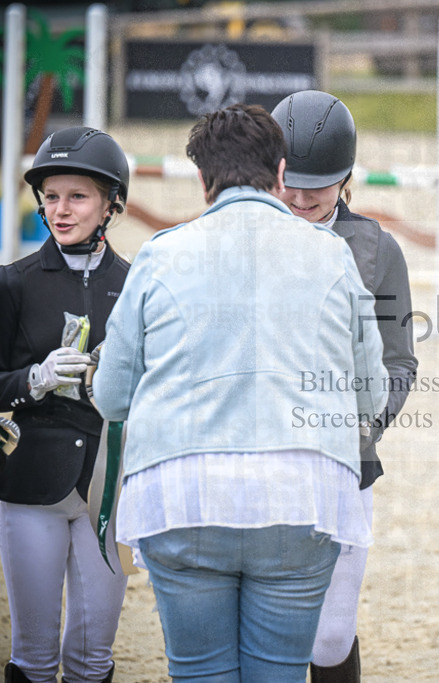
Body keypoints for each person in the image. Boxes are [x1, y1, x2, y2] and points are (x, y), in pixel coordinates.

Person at [92, 103, 388, 682]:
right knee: (277, 671)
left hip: (183, 492)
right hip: (303, 493)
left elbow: (112, 396)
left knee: (199, 670)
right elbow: (371, 394)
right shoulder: (333, 254)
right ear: (281, 174)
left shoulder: (159, 254)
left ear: (203, 182)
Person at [270, 89, 418, 682]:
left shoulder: (379, 250)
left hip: (344, 462)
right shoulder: (247, 237)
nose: (302, 197)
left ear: (348, 178)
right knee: (272, 628)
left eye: (320, 184)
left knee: (329, 637)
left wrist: (365, 422)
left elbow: (401, 362)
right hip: (260, 459)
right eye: (290, 181)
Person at [0, 126, 131, 683]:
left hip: (110, 488)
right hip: (31, 487)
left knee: (92, 658)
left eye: (76, 196)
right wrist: (33, 378)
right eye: (50, 196)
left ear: (110, 204)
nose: (60, 209)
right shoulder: (14, 284)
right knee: (33, 656)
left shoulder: (138, 284)